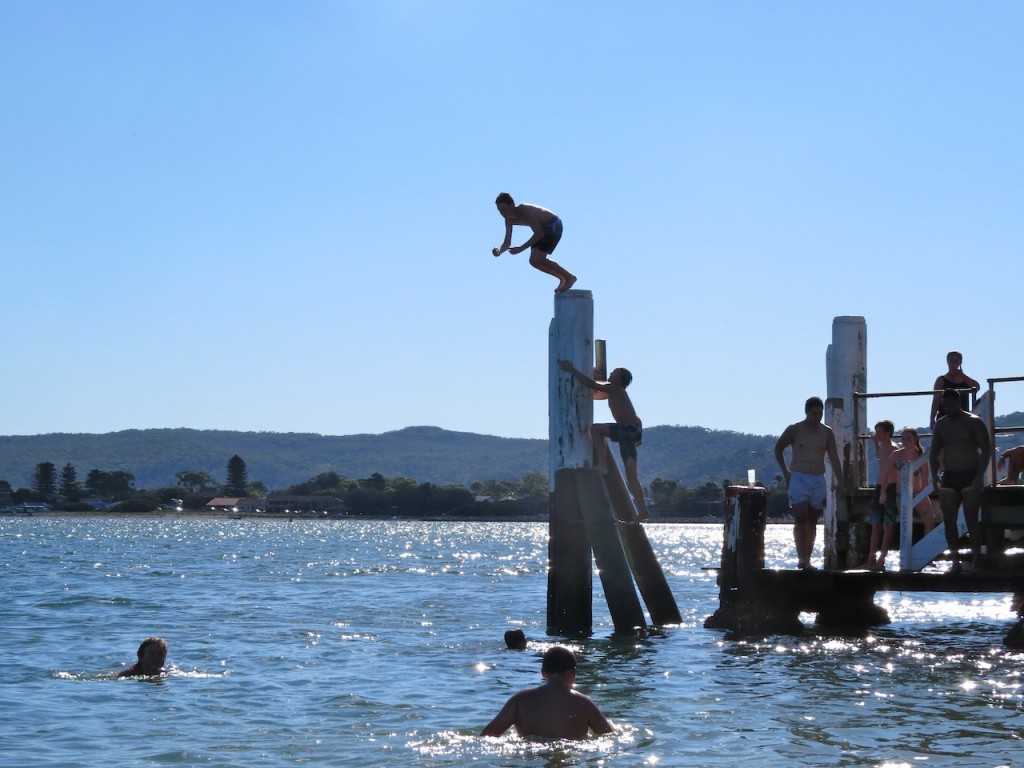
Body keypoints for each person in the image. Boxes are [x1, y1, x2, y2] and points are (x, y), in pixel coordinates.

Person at [557, 359, 650, 520]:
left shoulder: (616, 388)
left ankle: (602, 464)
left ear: (620, 379)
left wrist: (571, 369)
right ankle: (643, 511)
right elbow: (593, 393)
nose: (611, 373)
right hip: (631, 432)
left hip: (630, 429)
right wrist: (593, 377)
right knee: (632, 476)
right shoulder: (613, 391)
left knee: (595, 429)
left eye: (614, 373)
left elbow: (593, 386)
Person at [481, 645, 614, 740]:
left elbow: (487, 736)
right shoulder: (584, 703)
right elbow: (609, 736)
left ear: (543, 673)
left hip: (530, 758)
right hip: (567, 754)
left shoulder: (520, 700)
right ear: (573, 672)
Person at [774, 396, 845, 570]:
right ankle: (801, 558)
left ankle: (808, 559)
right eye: (814, 413)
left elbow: (834, 458)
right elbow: (778, 449)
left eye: (820, 414)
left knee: (813, 520)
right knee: (801, 518)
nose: (817, 417)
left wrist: (841, 482)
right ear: (807, 412)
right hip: (799, 477)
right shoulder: (795, 429)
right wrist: (786, 473)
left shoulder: (826, 432)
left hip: (818, 478)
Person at [929, 388, 992, 573]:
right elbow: (933, 454)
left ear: (958, 403)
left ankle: (977, 560)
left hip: (970, 475)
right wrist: (934, 477)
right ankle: (955, 562)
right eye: (944, 406)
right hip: (950, 476)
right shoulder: (941, 425)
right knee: (949, 520)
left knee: (972, 520)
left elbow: (986, 449)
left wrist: (980, 475)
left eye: (950, 405)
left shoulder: (973, 422)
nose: (947, 408)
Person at [493, 192, 576, 293]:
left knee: (539, 259)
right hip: (542, 229)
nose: (502, 213)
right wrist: (499, 251)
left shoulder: (523, 210)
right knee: (533, 261)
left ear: (512, 206)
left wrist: (521, 248)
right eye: (499, 211)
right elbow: (507, 243)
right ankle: (562, 278)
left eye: (504, 209)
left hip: (553, 225)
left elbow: (538, 234)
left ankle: (569, 277)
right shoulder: (508, 221)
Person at [858, 421, 899, 571]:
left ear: (888, 433)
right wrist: (876, 444)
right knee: (876, 524)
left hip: (890, 489)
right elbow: (880, 460)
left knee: (888, 525)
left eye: (879, 432)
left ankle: (881, 561)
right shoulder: (883, 447)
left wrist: (884, 492)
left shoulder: (894, 449)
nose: (876, 434)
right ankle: (871, 560)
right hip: (880, 487)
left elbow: (891, 472)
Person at [882, 427, 937, 536]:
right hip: (901, 495)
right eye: (903, 439)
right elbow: (886, 475)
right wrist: (882, 493)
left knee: (930, 522)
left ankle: (925, 550)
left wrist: (922, 496)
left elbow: (925, 481)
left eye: (908, 438)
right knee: (906, 525)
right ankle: (907, 551)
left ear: (915, 438)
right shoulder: (896, 454)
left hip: (918, 493)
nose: (906, 441)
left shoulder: (921, 456)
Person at [930, 350, 980, 429]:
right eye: (951, 361)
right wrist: (932, 419)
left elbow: (977, 387)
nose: (953, 364)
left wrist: (961, 375)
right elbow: (936, 401)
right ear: (947, 361)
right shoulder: (941, 380)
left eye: (956, 361)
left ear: (960, 362)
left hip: (963, 419)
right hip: (945, 418)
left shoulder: (966, 379)